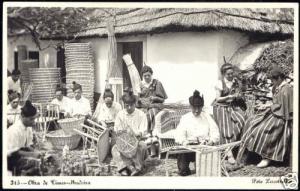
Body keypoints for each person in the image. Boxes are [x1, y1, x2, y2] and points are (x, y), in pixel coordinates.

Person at [236, 67, 293, 168]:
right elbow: (277, 102)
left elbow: (285, 108)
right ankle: (250, 153)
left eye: (273, 80)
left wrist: (269, 106)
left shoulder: (287, 89)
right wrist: (267, 105)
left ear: (279, 78)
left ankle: (267, 157)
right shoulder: (278, 87)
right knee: (252, 121)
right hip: (274, 112)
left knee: (264, 129)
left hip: (282, 117)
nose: (272, 83)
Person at [174, 90, 220, 176]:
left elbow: (215, 132)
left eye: (199, 108)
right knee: (183, 171)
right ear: (190, 106)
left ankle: (202, 167)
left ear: (202, 107)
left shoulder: (207, 117)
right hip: (189, 148)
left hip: (204, 147)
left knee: (206, 172)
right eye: (194, 108)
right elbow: (179, 134)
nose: (196, 110)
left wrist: (212, 141)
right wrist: (184, 142)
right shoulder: (185, 118)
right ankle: (184, 169)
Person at [212, 63, 246, 164]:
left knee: (241, 119)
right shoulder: (219, 83)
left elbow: (240, 93)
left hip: (231, 106)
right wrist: (227, 97)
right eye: (228, 74)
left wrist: (238, 96)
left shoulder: (235, 82)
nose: (231, 76)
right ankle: (229, 153)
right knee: (226, 127)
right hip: (220, 107)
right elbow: (218, 98)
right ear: (223, 74)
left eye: (232, 73)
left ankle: (230, 146)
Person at [111, 89, 148, 176]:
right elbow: (117, 129)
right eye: (127, 105)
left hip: (137, 140)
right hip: (124, 142)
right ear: (124, 105)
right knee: (115, 148)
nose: (129, 108)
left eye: (132, 105)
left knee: (142, 145)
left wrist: (136, 134)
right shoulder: (120, 115)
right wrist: (121, 132)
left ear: (135, 104)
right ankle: (125, 168)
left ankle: (137, 167)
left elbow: (144, 131)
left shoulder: (141, 114)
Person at [138, 65, 168, 157]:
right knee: (141, 114)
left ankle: (152, 139)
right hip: (144, 106)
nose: (147, 77)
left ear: (151, 75)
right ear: (142, 76)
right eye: (145, 76)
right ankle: (146, 143)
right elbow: (138, 99)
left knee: (151, 113)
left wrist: (154, 98)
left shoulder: (157, 83)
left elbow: (162, 99)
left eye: (148, 75)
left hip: (155, 105)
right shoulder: (140, 85)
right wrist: (140, 100)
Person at [7, 100, 43, 176]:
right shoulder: (14, 130)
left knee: (43, 159)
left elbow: (28, 145)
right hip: (10, 158)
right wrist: (32, 154)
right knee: (36, 163)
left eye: (34, 119)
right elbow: (14, 152)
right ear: (23, 116)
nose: (33, 122)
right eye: (31, 119)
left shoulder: (28, 127)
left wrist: (36, 152)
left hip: (21, 153)